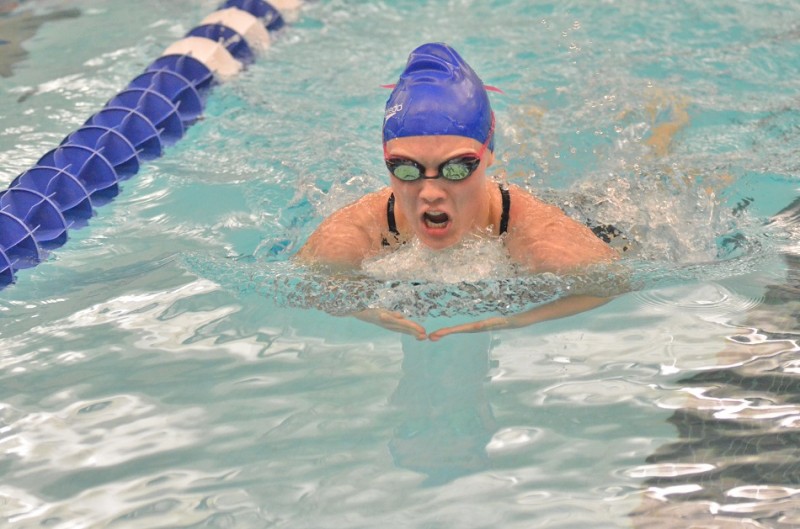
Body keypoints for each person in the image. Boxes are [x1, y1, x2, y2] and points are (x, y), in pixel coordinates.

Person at [297, 42, 619, 340]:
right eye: (406, 169)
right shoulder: (349, 235)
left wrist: (519, 321)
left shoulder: (545, 240)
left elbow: (611, 283)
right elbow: (305, 284)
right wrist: (362, 311)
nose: (430, 192)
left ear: (489, 154)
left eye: (456, 168)